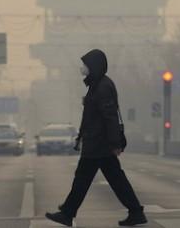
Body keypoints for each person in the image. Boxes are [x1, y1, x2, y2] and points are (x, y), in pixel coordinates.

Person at [45, 49, 147, 227]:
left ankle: (67, 213)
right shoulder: (97, 85)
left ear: (94, 66)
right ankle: (135, 212)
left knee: (84, 178)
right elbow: (92, 117)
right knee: (113, 179)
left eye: (85, 64)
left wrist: (114, 143)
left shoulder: (102, 87)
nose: (82, 68)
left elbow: (110, 116)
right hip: (97, 143)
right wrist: (81, 137)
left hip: (99, 144)